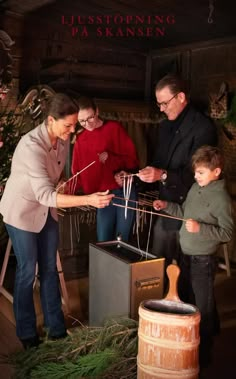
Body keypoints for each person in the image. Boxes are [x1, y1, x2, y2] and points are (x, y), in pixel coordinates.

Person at [0, 93, 114, 349]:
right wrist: (89, 200)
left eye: (75, 125)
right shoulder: (31, 146)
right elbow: (44, 195)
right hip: (22, 212)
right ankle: (27, 333)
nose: (73, 131)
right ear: (51, 120)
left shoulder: (61, 139)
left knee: (50, 267)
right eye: (68, 125)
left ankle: (56, 327)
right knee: (28, 271)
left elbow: (56, 175)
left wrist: (62, 180)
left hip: (46, 209)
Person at [153, 145, 234, 369]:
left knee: (203, 307)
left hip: (203, 260)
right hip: (186, 254)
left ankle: (204, 354)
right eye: (196, 172)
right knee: (190, 299)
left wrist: (201, 228)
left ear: (216, 172)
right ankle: (194, 340)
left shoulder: (221, 199)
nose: (196, 176)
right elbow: (184, 213)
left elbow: (227, 233)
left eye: (201, 172)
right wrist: (166, 206)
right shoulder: (195, 189)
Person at [138, 73, 218, 266]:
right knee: (156, 264)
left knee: (187, 272)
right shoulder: (166, 126)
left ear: (181, 97)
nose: (162, 109)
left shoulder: (203, 127)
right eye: (159, 104)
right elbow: (158, 161)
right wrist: (138, 174)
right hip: (167, 205)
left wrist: (163, 175)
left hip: (193, 208)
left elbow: (199, 175)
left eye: (165, 103)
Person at [71, 96, 139, 242]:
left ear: (97, 111)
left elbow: (133, 160)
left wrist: (112, 158)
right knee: (103, 240)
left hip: (123, 191)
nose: (87, 124)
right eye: (81, 121)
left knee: (122, 240)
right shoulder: (80, 139)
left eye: (90, 118)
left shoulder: (114, 128)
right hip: (101, 195)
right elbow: (77, 174)